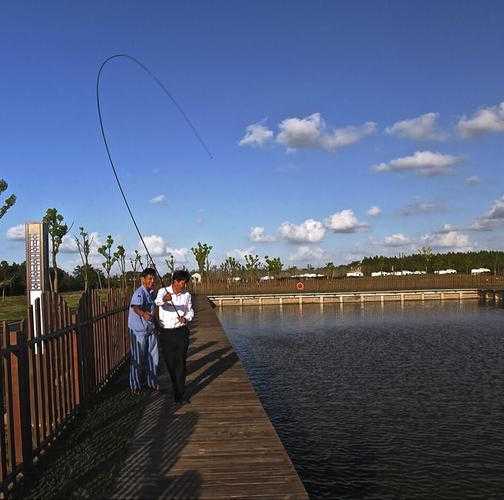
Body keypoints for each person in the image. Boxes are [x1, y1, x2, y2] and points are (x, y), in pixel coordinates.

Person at [155, 269, 194, 404]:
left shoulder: (187, 295)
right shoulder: (163, 291)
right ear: (175, 281)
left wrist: (186, 318)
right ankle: (176, 386)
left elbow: (190, 311)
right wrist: (165, 299)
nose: (183, 285)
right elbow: (158, 302)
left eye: (185, 283)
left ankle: (179, 394)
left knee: (180, 363)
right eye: (181, 282)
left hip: (181, 332)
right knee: (170, 363)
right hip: (166, 333)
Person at [128, 267, 159, 394]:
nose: (152, 281)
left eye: (153, 278)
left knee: (153, 357)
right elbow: (135, 307)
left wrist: (156, 325)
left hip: (150, 330)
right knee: (138, 358)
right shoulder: (139, 292)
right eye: (149, 278)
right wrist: (143, 314)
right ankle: (135, 386)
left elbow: (153, 312)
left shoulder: (151, 293)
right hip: (138, 331)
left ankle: (152, 382)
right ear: (143, 279)